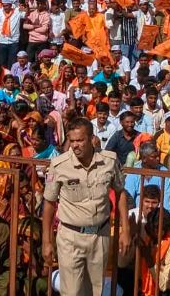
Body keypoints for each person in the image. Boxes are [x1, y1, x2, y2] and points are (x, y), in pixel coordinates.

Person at [42, 117, 130, 296]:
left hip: (100, 235)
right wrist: (46, 241)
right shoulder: (59, 165)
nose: (75, 145)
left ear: (91, 139)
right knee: (72, 291)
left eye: (80, 140)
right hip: (70, 236)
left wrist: (125, 230)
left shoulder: (109, 161)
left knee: (95, 291)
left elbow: (120, 193)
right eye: (72, 141)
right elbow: (49, 204)